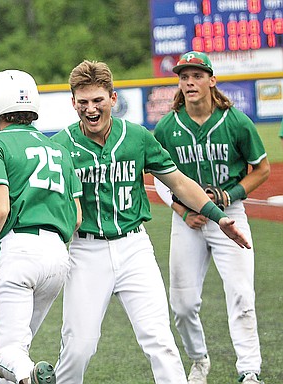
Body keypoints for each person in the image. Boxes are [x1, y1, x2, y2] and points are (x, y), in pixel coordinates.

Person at [49, 59, 251, 384]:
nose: (90, 109)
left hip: (134, 247)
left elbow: (179, 183)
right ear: (73, 102)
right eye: (83, 102)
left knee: (161, 342)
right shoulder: (60, 146)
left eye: (98, 100)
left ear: (113, 99)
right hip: (85, 252)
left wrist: (218, 217)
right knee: (79, 349)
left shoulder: (137, 137)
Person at [0, 69, 83, 384]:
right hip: (57, 258)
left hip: (18, 252)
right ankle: (27, 373)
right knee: (16, 354)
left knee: (8, 355)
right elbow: (75, 217)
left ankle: (32, 376)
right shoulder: (59, 150)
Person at [153, 51, 270, 384]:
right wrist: (181, 209)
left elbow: (261, 169)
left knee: (241, 295)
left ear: (211, 80)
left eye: (197, 76)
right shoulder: (168, 126)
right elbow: (157, 175)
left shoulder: (235, 121)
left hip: (230, 216)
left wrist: (231, 195)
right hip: (188, 222)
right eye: (184, 77)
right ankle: (199, 359)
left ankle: (249, 370)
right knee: (183, 303)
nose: (190, 82)